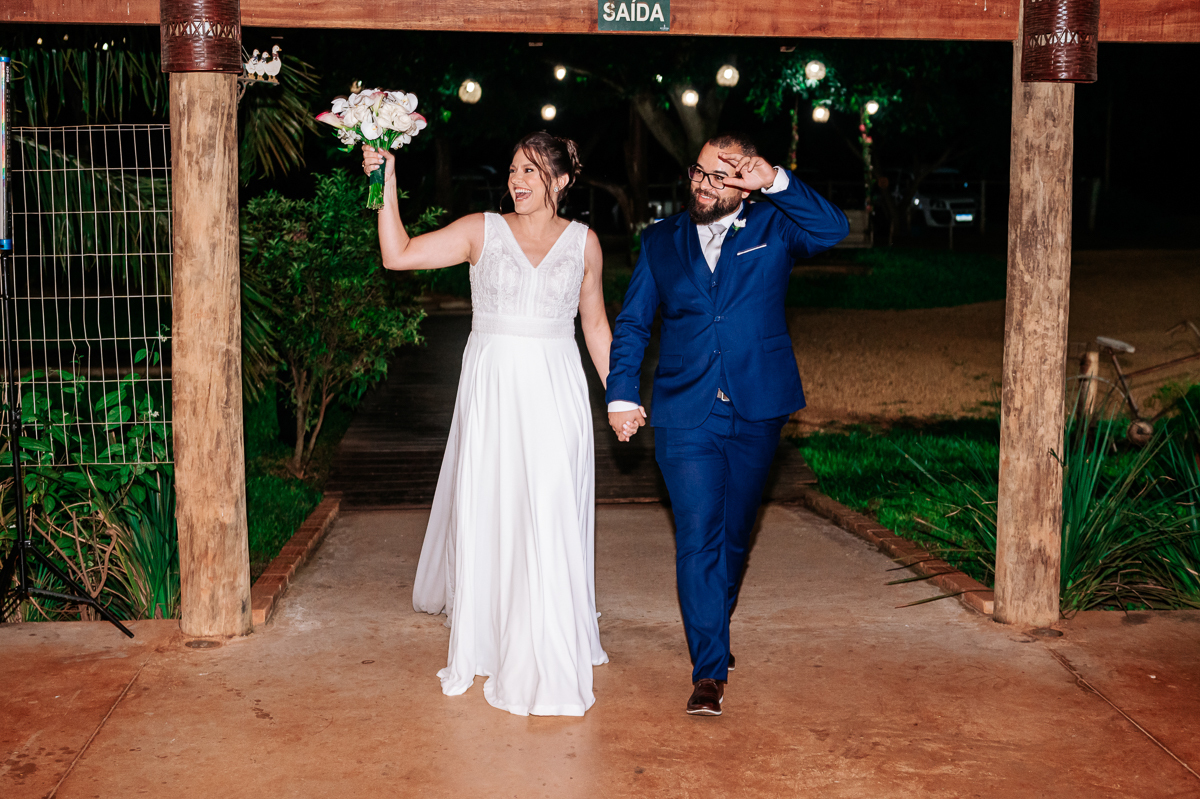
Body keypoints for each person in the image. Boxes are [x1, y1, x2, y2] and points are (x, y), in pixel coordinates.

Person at [363, 131, 619, 717]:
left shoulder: (585, 244)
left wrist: (620, 398)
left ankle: (549, 636)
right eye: (512, 170)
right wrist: (385, 182)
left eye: (531, 171)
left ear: (560, 181)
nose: (517, 181)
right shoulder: (481, 230)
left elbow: (597, 327)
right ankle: (494, 629)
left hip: (557, 393)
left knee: (551, 509)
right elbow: (396, 254)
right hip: (494, 392)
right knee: (497, 507)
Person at [606, 133, 848, 716]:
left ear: (744, 181)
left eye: (721, 176)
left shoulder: (774, 227)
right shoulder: (660, 241)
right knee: (697, 538)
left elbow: (832, 229)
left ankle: (714, 617)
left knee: (735, 536)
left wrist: (777, 181)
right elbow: (635, 322)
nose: (705, 185)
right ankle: (709, 670)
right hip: (685, 412)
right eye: (699, 172)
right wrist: (620, 393)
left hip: (757, 405)